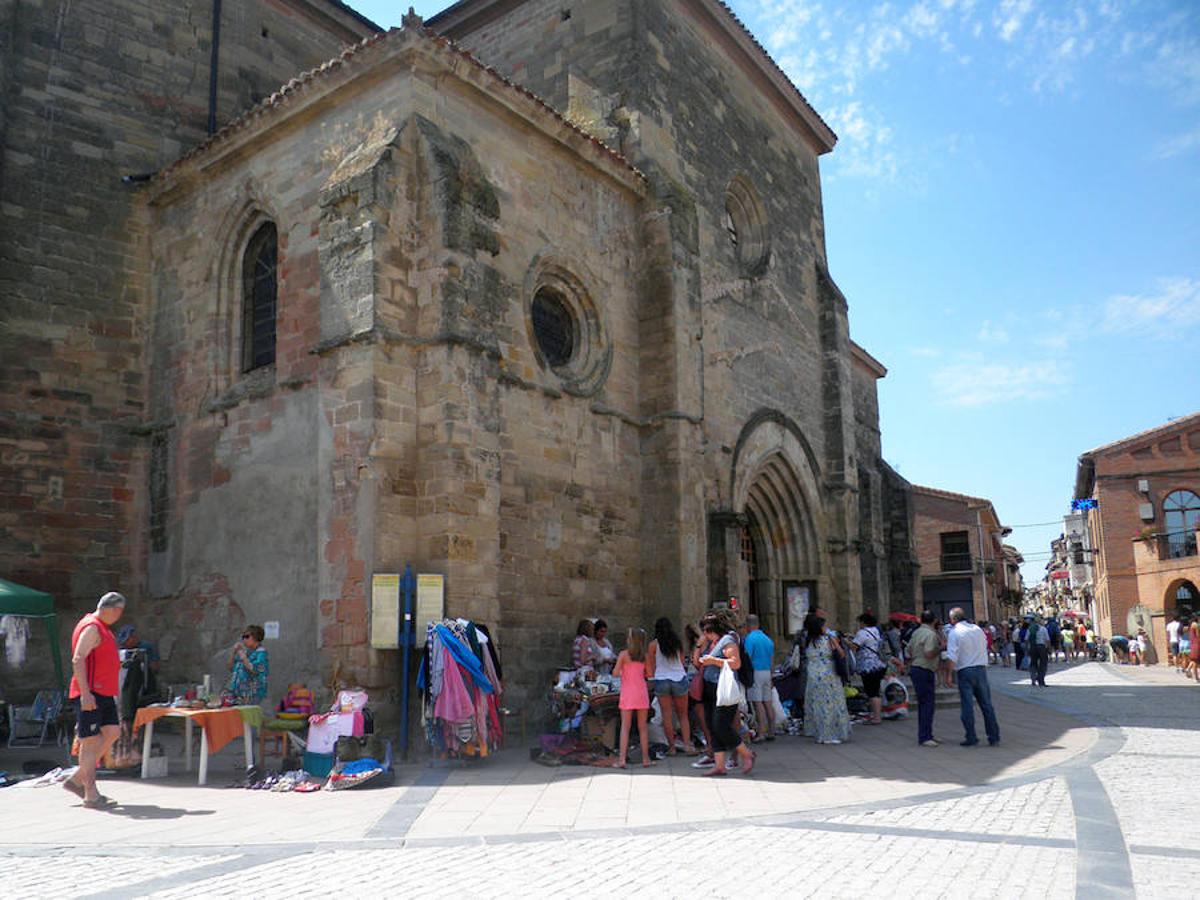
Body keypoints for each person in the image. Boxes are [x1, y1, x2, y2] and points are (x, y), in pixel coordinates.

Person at [64, 591, 127, 809]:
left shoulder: (102, 627)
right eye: (119, 612)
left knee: (112, 732)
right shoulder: (92, 626)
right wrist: (85, 693)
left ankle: (76, 779)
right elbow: (78, 658)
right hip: (91, 693)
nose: (120, 616)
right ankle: (90, 793)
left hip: (104, 693)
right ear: (114, 609)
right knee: (89, 743)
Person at [695, 613, 754, 775]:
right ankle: (719, 764)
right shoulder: (711, 644)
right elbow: (696, 663)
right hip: (709, 689)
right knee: (712, 726)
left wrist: (713, 661)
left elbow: (735, 663)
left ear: (711, 629)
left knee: (721, 726)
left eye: (705, 631)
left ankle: (746, 754)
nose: (704, 635)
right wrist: (700, 648)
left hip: (723, 690)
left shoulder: (727, 641)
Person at [946, 607, 1000, 747]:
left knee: (967, 705)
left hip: (965, 670)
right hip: (981, 669)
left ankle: (971, 736)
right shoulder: (977, 629)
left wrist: (949, 675)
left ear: (953, 619)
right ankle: (993, 736)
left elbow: (952, 656)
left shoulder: (954, 632)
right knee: (986, 705)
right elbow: (985, 645)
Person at [647, 617, 694, 756]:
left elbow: (651, 665)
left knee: (666, 716)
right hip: (678, 678)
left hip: (662, 680)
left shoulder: (653, 645)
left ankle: (672, 748)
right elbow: (681, 661)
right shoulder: (677, 643)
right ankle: (687, 745)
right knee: (683, 716)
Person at [802, 613, 851, 745]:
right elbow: (841, 653)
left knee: (818, 705)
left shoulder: (808, 640)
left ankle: (819, 733)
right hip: (829, 675)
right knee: (831, 704)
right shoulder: (829, 639)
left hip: (813, 675)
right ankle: (829, 734)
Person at [613, 627, 652, 768]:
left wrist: (624, 670)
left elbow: (615, 673)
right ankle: (646, 758)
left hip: (628, 693)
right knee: (643, 727)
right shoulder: (645, 656)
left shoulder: (624, 655)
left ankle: (622, 759)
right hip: (641, 693)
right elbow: (650, 674)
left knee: (625, 727)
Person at [906, 609, 942, 747]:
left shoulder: (916, 632)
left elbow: (908, 651)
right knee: (928, 704)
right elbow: (928, 653)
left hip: (916, 667)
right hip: (925, 668)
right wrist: (940, 648)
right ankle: (925, 736)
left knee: (923, 703)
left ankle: (926, 734)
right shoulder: (930, 634)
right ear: (934, 621)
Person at [850, 611, 888, 725]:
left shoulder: (862, 633)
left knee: (872, 692)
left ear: (863, 622)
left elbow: (854, 646)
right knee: (875, 690)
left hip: (868, 666)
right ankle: (876, 715)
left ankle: (876, 717)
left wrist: (846, 641)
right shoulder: (876, 631)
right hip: (878, 664)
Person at [742, 614, 776, 742]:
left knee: (757, 703)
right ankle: (772, 730)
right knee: (767, 702)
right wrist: (772, 676)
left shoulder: (750, 639)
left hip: (756, 672)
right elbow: (772, 659)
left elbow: (747, 658)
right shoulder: (767, 639)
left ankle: (761, 732)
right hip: (767, 672)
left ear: (748, 625)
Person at [227, 625, 269, 705]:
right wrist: (233, 653)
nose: (244, 639)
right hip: (238, 693)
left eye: (247, 637)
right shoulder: (246, 652)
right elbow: (230, 667)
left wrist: (244, 658)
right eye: (243, 637)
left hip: (252, 694)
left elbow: (255, 671)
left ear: (256, 637)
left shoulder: (261, 653)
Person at [1026, 616, 1050, 688]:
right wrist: (1048, 648)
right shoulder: (1043, 629)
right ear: (1040, 622)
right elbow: (1047, 640)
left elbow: (1026, 639)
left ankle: (1033, 680)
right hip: (1041, 647)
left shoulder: (1030, 629)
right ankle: (1041, 680)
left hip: (1033, 647)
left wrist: (1028, 648)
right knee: (1043, 664)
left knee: (1033, 663)